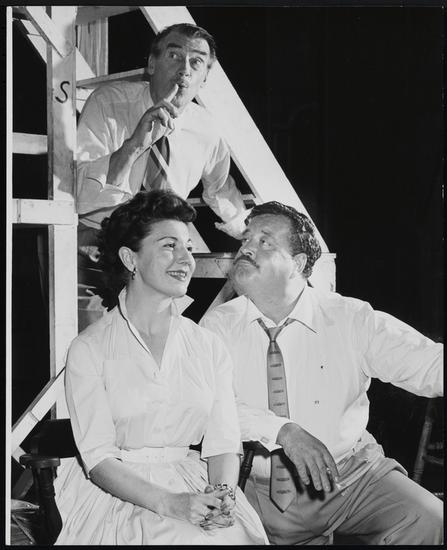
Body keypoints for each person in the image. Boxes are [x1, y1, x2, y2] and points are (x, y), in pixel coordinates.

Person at [200, 200, 443, 545]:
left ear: (298, 263)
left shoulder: (350, 317)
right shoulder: (217, 325)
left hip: (356, 476)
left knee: (429, 520)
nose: (247, 249)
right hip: (265, 490)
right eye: (246, 240)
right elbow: (212, 406)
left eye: (264, 241)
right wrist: (283, 431)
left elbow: (428, 364)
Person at [53, 190, 268, 545]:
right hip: (119, 495)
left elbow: (223, 442)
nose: (186, 259)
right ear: (130, 258)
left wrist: (223, 497)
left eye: (188, 247)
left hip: (193, 483)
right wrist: (172, 504)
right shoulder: (89, 349)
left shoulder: (208, 346)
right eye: (170, 246)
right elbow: (99, 460)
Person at [76, 23, 247, 329]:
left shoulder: (207, 128)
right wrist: (134, 145)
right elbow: (81, 194)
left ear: (204, 78)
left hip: (159, 254)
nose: (184, 70)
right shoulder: (108, 103)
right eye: (174, 55)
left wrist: (249, 231)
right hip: (95, 248)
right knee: (90, 346)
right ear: (152, 64)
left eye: (196, 62)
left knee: (153, 345)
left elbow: (221, 189)